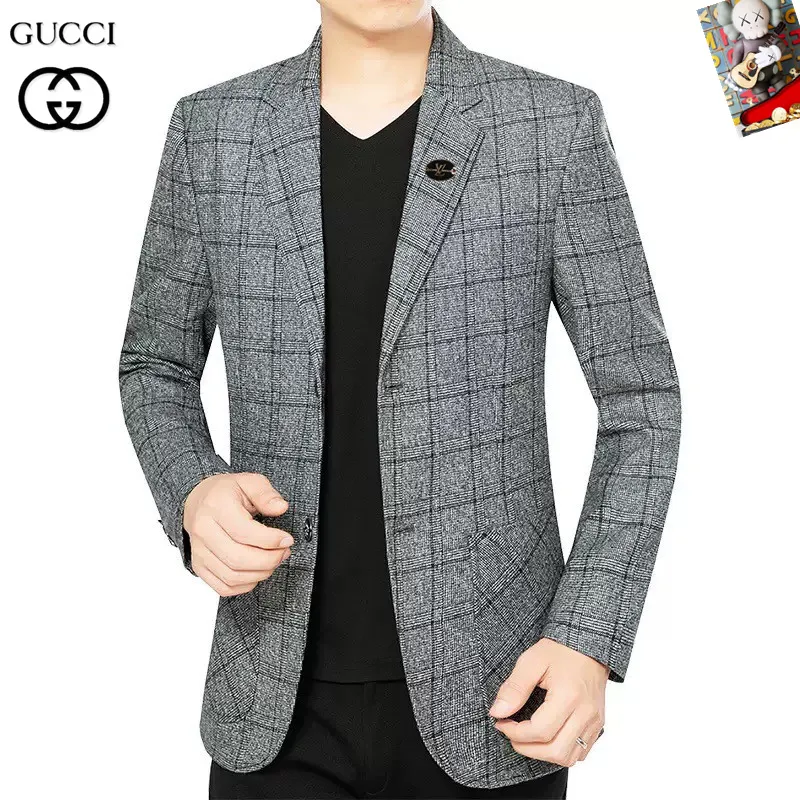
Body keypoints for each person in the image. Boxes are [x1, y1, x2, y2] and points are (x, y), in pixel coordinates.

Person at [119, 2, 681, 798]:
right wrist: (191, 488)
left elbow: (641, 399)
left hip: (501, 693)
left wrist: (587, 636)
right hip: (270, 698)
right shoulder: (213, 129)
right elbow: (154, 364)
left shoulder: (551, 124)